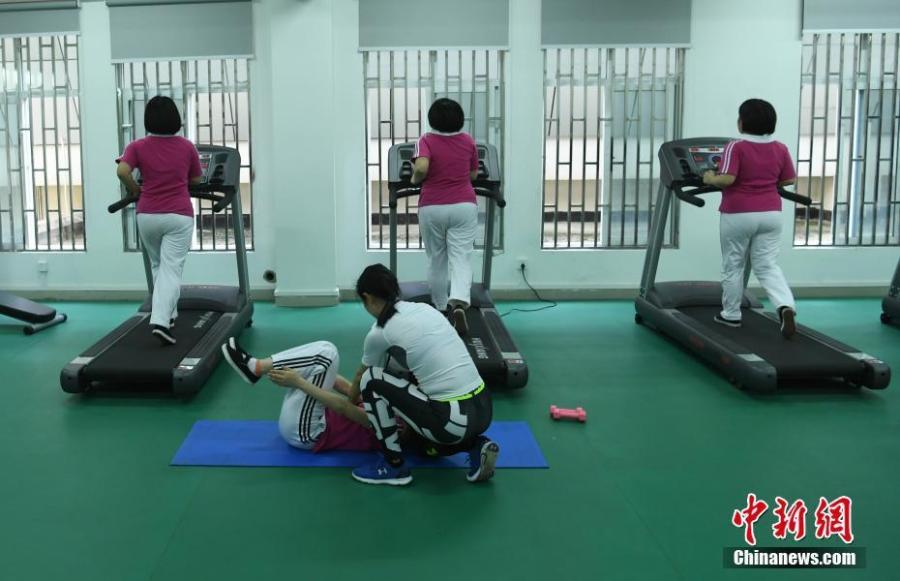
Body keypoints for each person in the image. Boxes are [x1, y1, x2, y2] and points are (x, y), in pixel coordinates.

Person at [347, 263, 499, 486]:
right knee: (420, 445)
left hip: (452, 421)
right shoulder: (425, 309)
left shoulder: (380, 332)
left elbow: (361, 377)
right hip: (484, 409)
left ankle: (393, 465)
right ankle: (475, 445)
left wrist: (348, 405)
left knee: (371, 380)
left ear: (367, 298)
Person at [702, 98, 798, 339]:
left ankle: (731, 315)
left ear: (742, 122)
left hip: (739, 213)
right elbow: (788, 179)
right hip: (771, 214)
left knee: (733, 264)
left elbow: (727, 179)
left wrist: (710, 178)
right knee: (767, 265)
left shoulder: (736, 147)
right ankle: (785, 306)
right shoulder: (780, 148)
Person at [116, 95, 203, 345]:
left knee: (158, 266)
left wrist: (135, 189)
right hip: (178, 215)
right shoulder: (187, 147)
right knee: (171, 268)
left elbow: (122, 171)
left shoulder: (137, 146)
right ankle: (161, 321)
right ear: (176, 118)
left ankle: (169, 315)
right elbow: (196, 180)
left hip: (147, 215)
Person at [220, 338, 380, 452]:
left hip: (307, 433)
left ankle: (256, 368)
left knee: (326, 356)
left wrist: (299, 382)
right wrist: (312, 371)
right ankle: (257, 367)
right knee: (326, 348)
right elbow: (347, 389)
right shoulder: (388, 402)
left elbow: (342, 407)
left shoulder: (387, 423)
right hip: (309, 420)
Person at [411, 98, 480, 335]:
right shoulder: (468, 140)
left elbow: (421, 168)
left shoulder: (426, 140)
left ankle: (441, 307)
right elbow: (473, 174)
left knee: (437, 258)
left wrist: (414, 179)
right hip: (464, 205)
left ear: (432, 119)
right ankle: (459, 302)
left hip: (432, 206)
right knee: (461, 258)